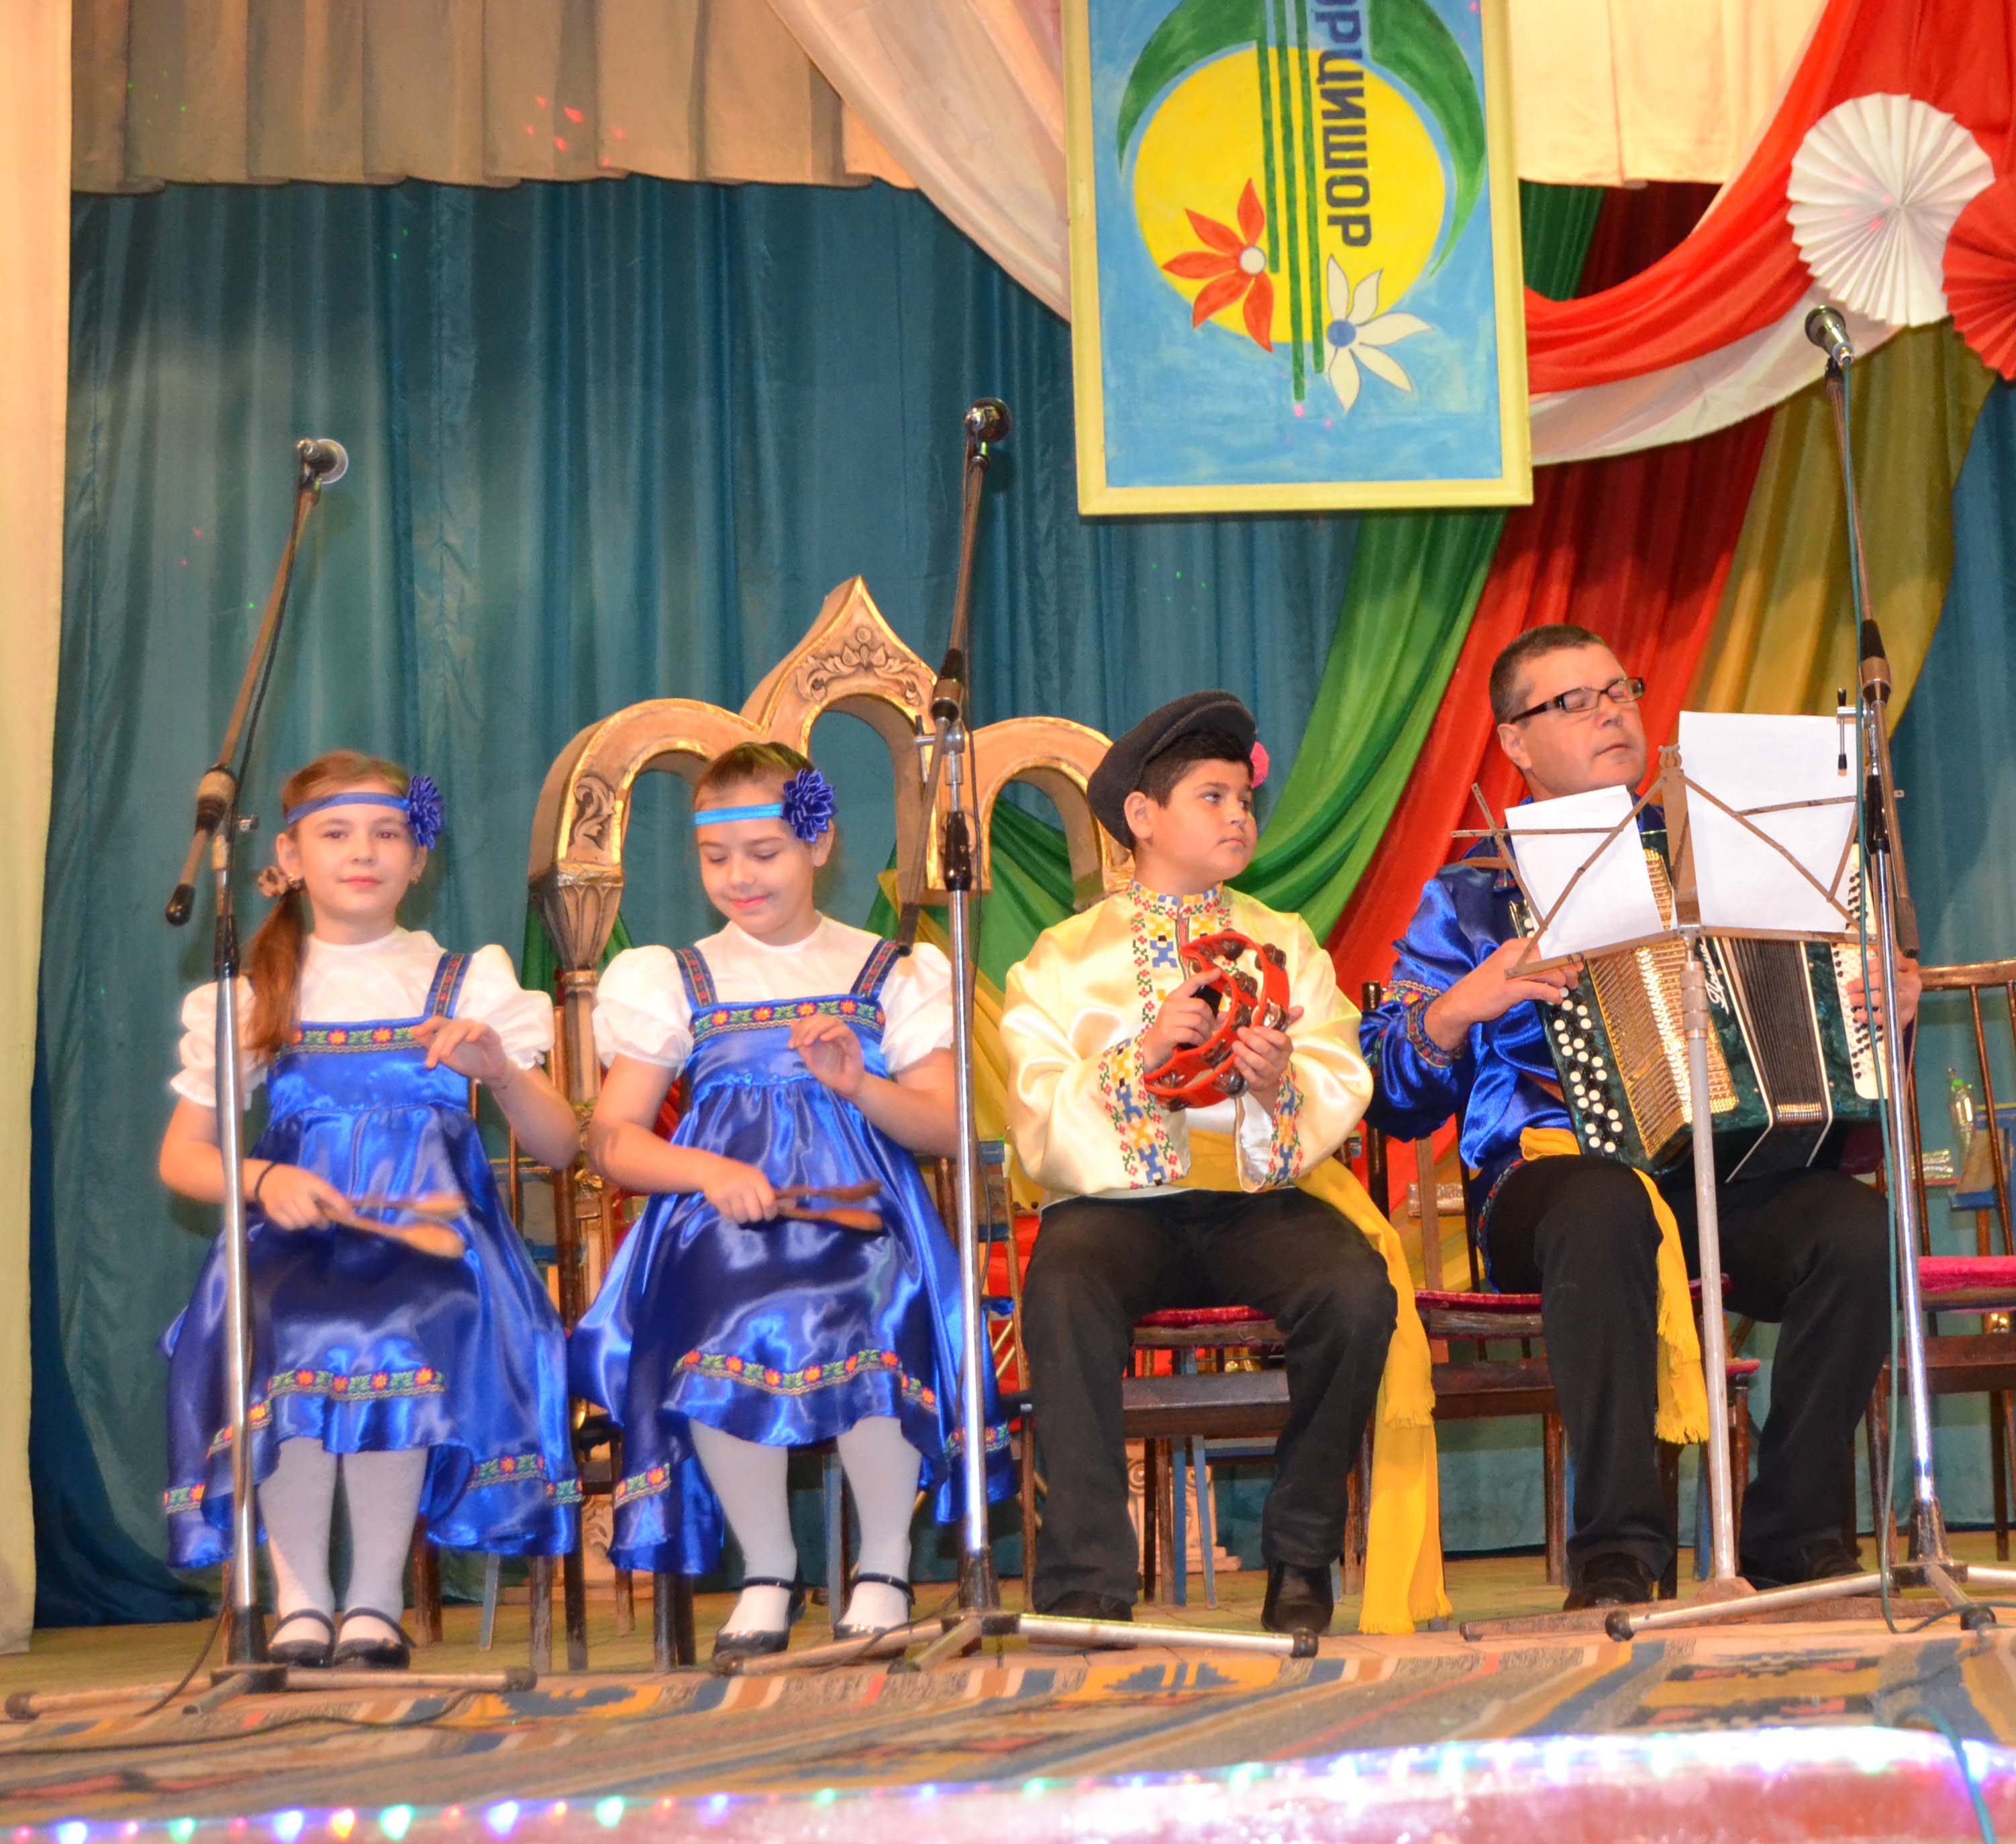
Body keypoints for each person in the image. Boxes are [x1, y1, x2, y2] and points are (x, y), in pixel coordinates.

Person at [1361, 625, 1913, 1610]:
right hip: (1547, 1185)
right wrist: (1462, 1006)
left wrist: (1879, 1010)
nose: (1610, 712)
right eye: (1573, 701)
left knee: (1856, 1230)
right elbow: (1392, 1091)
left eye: (1620, 691)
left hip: (1724, 1173)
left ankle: (1794, 1533)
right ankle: (1618, 1549)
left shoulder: (1729, 856)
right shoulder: (1475, 896)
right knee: (1604, 1204)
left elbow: (1829, 1040)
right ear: (1515, 742)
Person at [1003, 693, 1429, 1639]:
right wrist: (1141, 1055)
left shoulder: (1286, 941)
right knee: (1062, 1287)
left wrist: (1280, 1083)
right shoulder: (1062, 959)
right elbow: (1036, 1112)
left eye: (1245, 799)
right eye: (1212, 797)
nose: (1239, 816)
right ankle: (1086, 1580)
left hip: (1254, 1200)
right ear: (1143, 816)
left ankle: (1301, 1555)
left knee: (1354, 1291)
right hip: (1119, 1208)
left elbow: (1337, 1068)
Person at [572, 741, 1005, 1663]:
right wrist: (705, 1173)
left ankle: (885, 1564)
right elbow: (612, 1138)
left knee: (876, 1297)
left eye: (763, 853)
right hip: (723, 1226)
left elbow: (944, 1127)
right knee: (722, 1306)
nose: (740, 877)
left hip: (863, 1218)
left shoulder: (891, 973)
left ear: (818, 843)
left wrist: (859, 1086)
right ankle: (767, 1568)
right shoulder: (678, 978)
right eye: (716, 857)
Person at [159, 750, 580, 1671]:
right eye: (337, 833)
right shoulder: (252, 995)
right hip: (296, 1244)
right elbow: (183, 1157)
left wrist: (500, 1073)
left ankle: (376, 1599)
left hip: (436, 1250)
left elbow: (560, 1147)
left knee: (389, 1328)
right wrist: (263, 1181)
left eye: (388, 833)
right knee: (291, 1329)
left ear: (418, 858)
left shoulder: (466, 982)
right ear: (289, 857)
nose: (363, 853)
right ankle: (301, 1600)